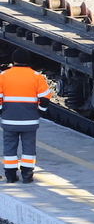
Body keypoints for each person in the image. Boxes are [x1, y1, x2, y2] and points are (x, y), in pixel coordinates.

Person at [0, 51, 51, 184]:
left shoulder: (3, 75)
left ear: (13, 60)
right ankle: (27, 175)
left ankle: (10, 176)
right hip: (30, 119)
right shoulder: (36, 76)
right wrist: (40, 111)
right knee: (29, 146)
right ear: (28, 61)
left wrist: (2, 110)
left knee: (9, 145)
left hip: (9, 118)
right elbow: (45, 97)